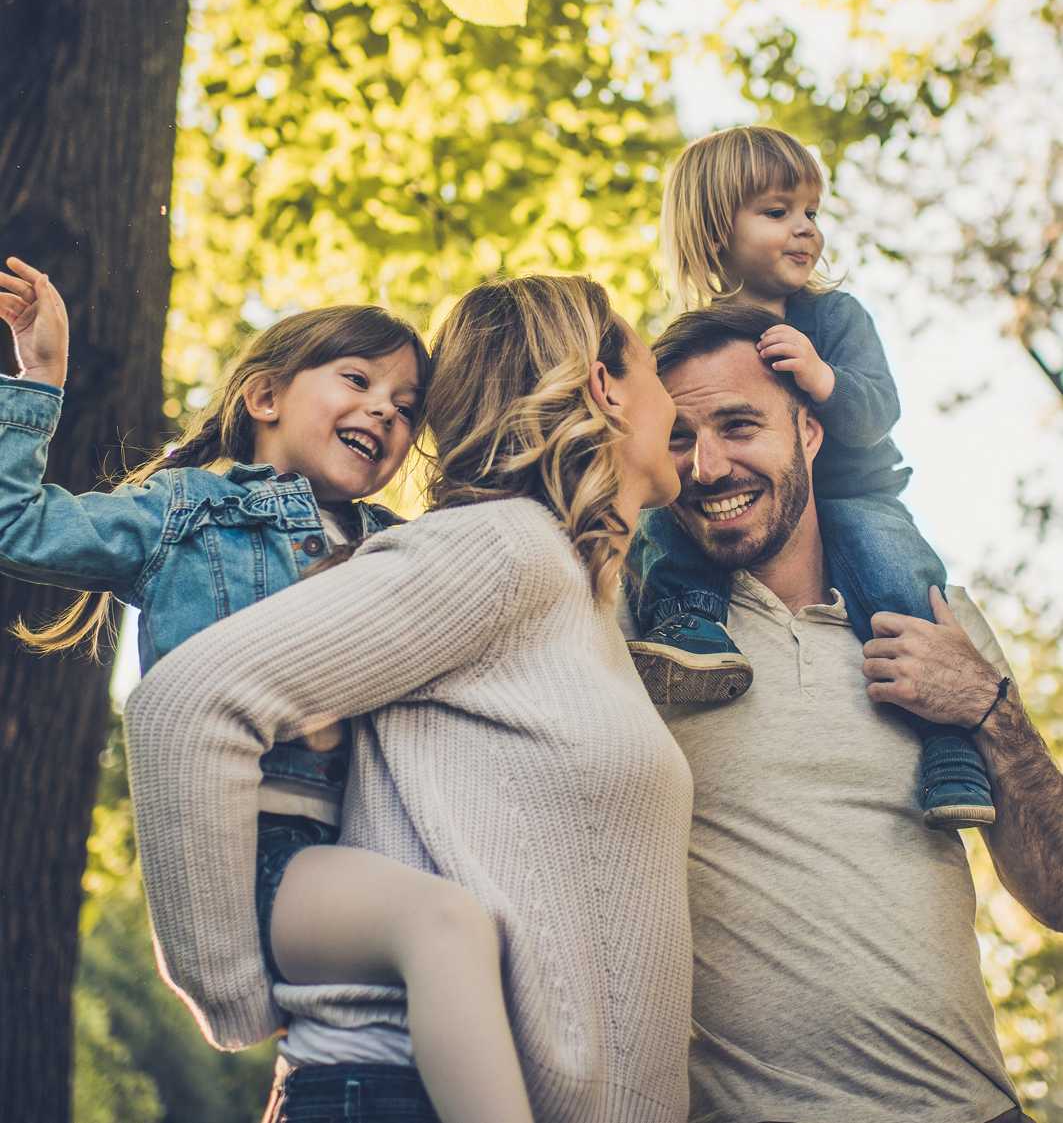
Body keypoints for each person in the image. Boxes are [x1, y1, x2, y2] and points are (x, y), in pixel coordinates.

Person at [122, 274, 696, 1123]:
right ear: (604, 385)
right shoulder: (498, 549)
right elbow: (184, 703)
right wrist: (234, 988)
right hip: (393, 1095)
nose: (675, 409)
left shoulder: (573, 588)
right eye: (655, 371)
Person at [0, 255, 537, 1123]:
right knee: (442, 927)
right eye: (358, 380)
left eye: (406, 409)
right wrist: (40, 376)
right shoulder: (186, 510)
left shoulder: (397, 543)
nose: (383, 412)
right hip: (259, 858)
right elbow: (15, 523)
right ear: (264, 397)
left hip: (359, 845)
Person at [625, 302, 1062, 1123]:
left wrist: (986, 707)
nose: (708, 465)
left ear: (811, 433)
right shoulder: (641, 632)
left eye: (738, 424)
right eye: (680, 438)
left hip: (970, 1110)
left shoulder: (936, 620)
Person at [626, 125, 994, 830]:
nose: (804, 230)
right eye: (776, 212)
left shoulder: (832, 317)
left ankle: (948, 746)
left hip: (851, 494)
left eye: (811, 213)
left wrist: (820, 378)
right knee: (659, 522)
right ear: (712, 230)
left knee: (895, 572)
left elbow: (877, 411)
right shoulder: (688, 342)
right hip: (744, 511)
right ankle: (688, 625)